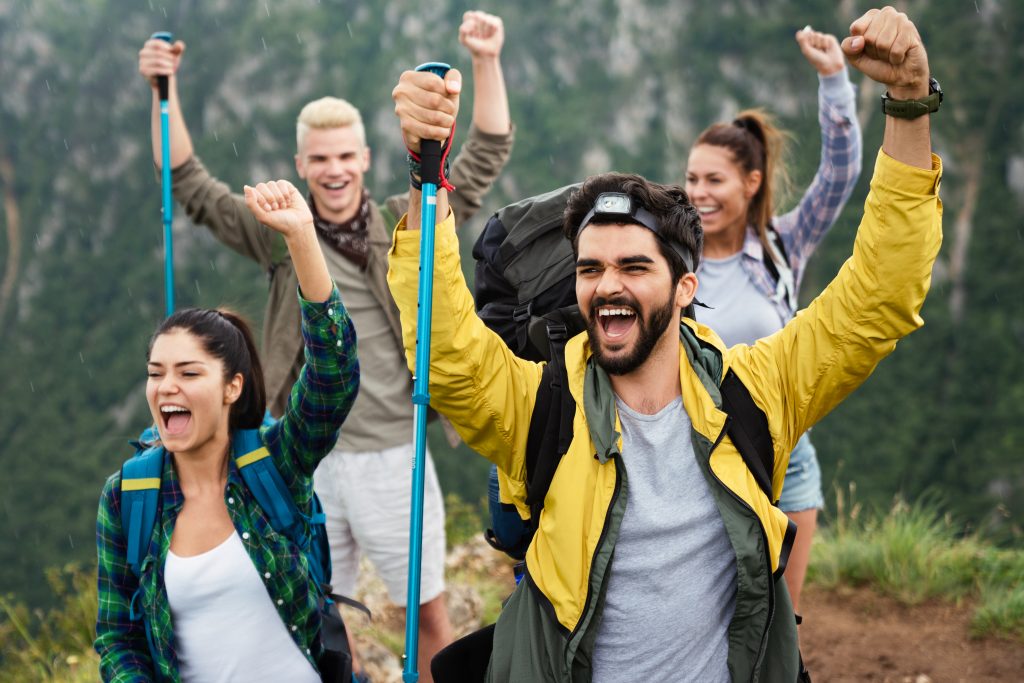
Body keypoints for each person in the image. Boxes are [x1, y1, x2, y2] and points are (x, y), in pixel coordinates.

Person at [389, 7, 942, 681]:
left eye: (634, 266)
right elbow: (446, 355)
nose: (605, 286)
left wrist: (911, 104)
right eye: (590, 267)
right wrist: (429, 175)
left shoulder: (754, 393)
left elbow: (878, 301)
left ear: (684, 289)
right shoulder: (541, 406)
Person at [137, 11, 513, 678]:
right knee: (311, 607)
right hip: (305, 454)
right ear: (300, 164)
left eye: (346, 156)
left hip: (397, 447)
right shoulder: (281, 233)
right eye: (321, 158)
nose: (334, 171)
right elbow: (189, 182)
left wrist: (485, 61)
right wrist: (163, 94)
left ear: (365, 159)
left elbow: (484, 150)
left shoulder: (408, 218)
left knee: (424, 612)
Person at [95, 179, 359, 681]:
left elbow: (333, 377)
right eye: (156, 373)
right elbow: (117, 638)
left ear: (232, 388)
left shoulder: (273, 463)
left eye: (188, 373)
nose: (165, 387)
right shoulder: (128, 497)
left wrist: (302, 237)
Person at [684, 26, 863, 615]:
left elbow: (838, 177)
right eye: (691, 180)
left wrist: (835, 82)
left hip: (788, 457)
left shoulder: (784, 245)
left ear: (751, 182)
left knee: (782, 624)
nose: (699, 193)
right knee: (712, 623)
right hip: (703, 460)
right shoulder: (668, 254)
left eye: (714, 180)